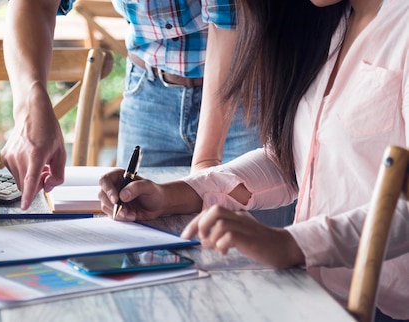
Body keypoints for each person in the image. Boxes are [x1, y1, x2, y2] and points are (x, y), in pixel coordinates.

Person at [98, 0, 409, 320]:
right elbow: (289, 161)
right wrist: (172, 195)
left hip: (386, 306)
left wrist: (293, 243)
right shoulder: (328, 22)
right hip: (314, 294)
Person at [1, 0, 265, 211]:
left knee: (256, 249)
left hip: (247, 91)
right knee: (139, 227)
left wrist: (206, 167)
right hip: (148, 91)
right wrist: (30, 103)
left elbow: (229, 19)